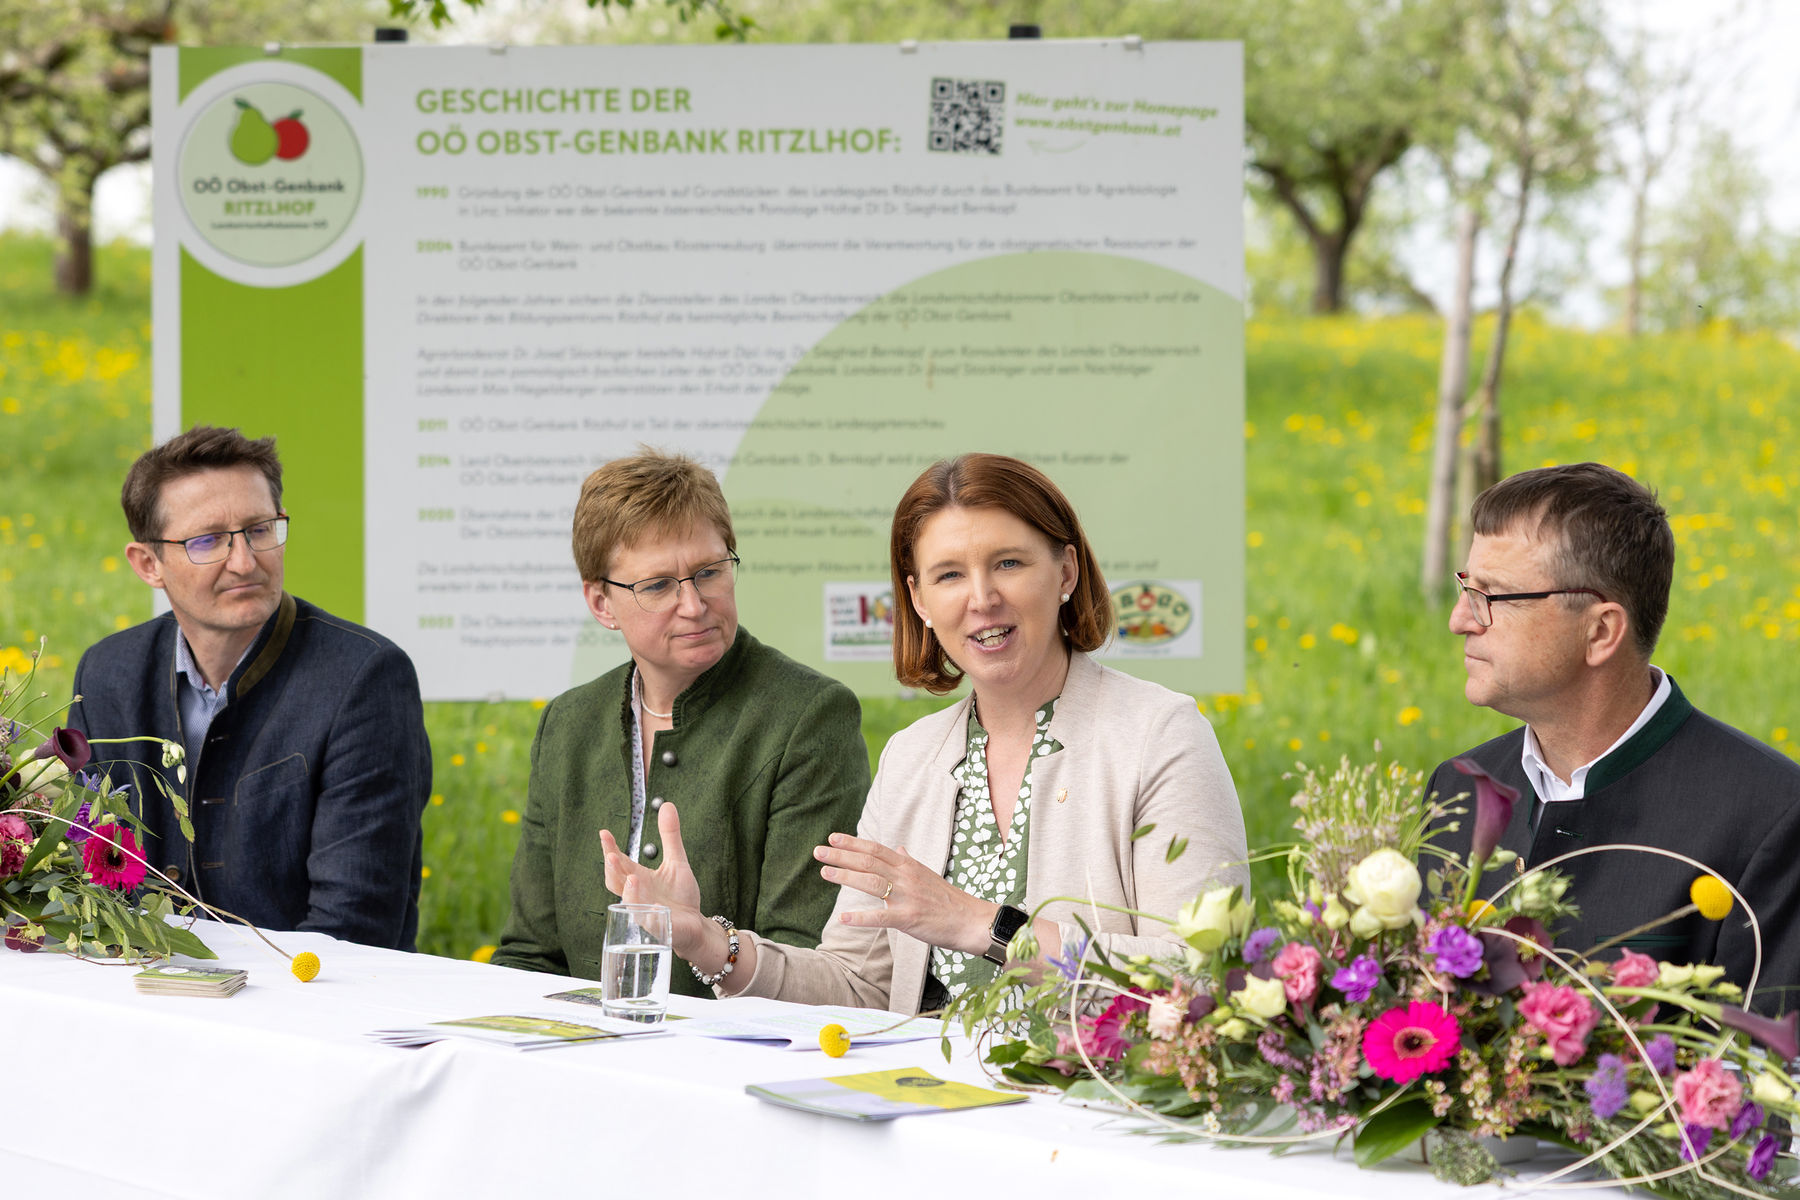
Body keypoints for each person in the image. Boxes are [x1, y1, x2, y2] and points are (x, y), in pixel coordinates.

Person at [606, 453, 1249, 1014]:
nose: (982, 597)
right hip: (933, 1117)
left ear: (1067, 573)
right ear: (917, 599)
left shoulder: (1161, 736)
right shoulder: (912, 758)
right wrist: (702, 940)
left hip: (1096, 1115)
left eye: (1008, 563)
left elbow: (1201, 974)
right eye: (948, 575)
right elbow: (857, 986)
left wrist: (980, 925)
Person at [492, 450, 868, 996]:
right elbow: (530, 953)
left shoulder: (808, 716)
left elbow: (805, 956)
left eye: (709, 572)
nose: (694, 605)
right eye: (659, 585)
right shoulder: (568, 724)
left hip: (735, 1060)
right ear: (601, 603)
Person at [1428, 462, 1800, 1011]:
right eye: (1466, 587)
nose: (1461, 619)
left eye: (1492, 596)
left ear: (1600, 631)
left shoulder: (1771, 816)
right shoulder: (1457, 789)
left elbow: (1769, 1075)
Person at [69, 425, 432, 950]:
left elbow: (354, 926)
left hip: (309, 1008)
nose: (245, 561)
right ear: (148, 564)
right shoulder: (108, 672)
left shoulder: (365, 678)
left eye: (260, 530)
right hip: (141, 994)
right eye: (207, 540)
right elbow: (89, 876)